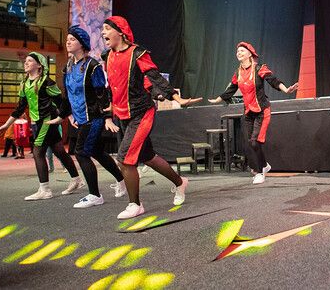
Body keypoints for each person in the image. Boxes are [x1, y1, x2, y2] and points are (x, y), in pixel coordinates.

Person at [101, 16, 201, 219]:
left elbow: (155, 77)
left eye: (106, 29)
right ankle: (180, 182)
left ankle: (135, 204)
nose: (103, 33)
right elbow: (112, 85)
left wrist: (176, 97)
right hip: (122, 114)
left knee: (125, 160)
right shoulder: (107, 56)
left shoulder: (138, 53)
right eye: (102, 30)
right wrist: (109, 110)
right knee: (147, 157)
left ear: (120, 31)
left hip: (141, 113)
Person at [47, 25, 127, 209]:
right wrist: (62, 116)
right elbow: (68, 96)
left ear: (82, 43)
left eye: (72, 39)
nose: (68, 42)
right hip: (80, 118)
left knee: (82, 152)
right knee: (97, 152)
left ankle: (95, 195)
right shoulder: (67, 67)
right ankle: (121, 180)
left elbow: (102, 94)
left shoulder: (93, 66)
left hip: (94, 117)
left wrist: (107, 117)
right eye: (67, 39)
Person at [0, 52, 84, 200]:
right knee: (59, 150)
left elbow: (61, 102)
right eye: (25, 61)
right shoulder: (24, 83)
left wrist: (71, 117)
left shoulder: (46, 82)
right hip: (36, 123)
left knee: (38, 152)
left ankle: (45, 189)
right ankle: (77, 180)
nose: (26, 63)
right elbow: (19, 108)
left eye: (30, 61)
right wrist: (5, 125)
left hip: (47, 121)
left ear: (39, 65)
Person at [208, 42, 299, 185]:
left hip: (262, 111)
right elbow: (231, 89)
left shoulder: (259, 69)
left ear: (250, 53)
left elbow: (273, 81)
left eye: (242, 51)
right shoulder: (238, 73)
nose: (239, 53)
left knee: (255, 142)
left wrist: (287, 90)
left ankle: (261, 171)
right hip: (248, 112)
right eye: (237, 51)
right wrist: (217, 99)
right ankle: (265, 166)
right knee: (250, 144)